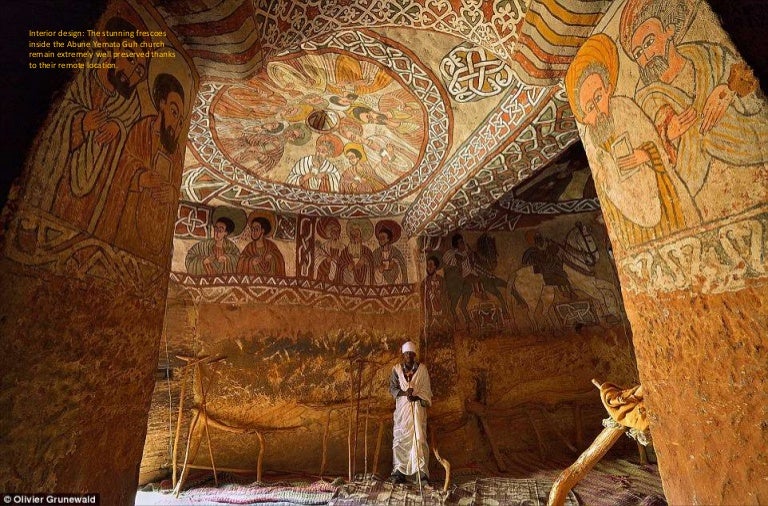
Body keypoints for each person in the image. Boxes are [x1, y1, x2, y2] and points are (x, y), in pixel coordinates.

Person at [389, 341, 432, 485]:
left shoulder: (422, 370)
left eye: (411, 354)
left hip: (417, 410)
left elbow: (426, 390)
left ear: (414, 355)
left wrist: (416, 397)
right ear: (403, 355)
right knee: (400, 439)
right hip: (402, 411)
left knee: (419, 439)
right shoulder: (396, 370)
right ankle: (399, 472)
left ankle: (421, 473)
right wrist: (404, 393)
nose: (408, 356)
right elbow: (393, 388)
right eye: (406, 354)